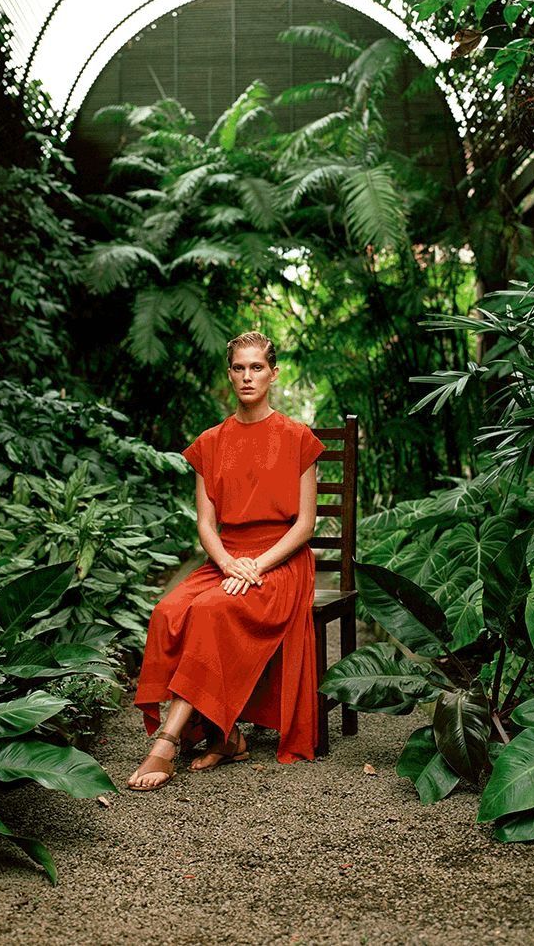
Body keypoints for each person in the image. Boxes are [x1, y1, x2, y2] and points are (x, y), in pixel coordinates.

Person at [127, 329, 325, 791]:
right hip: (227, 558)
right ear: (229, 375)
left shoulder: (299, 438)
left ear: (273, 374)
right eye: (239, 367)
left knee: (212, 610)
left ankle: (169, 740)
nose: (247, 376)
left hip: (282, 559)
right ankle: (225, 733)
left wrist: (257, 565)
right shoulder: (210, 442)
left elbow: (305, 527)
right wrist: (231, 563)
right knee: (169, 610)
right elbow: (204, 525)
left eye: (257, 367)